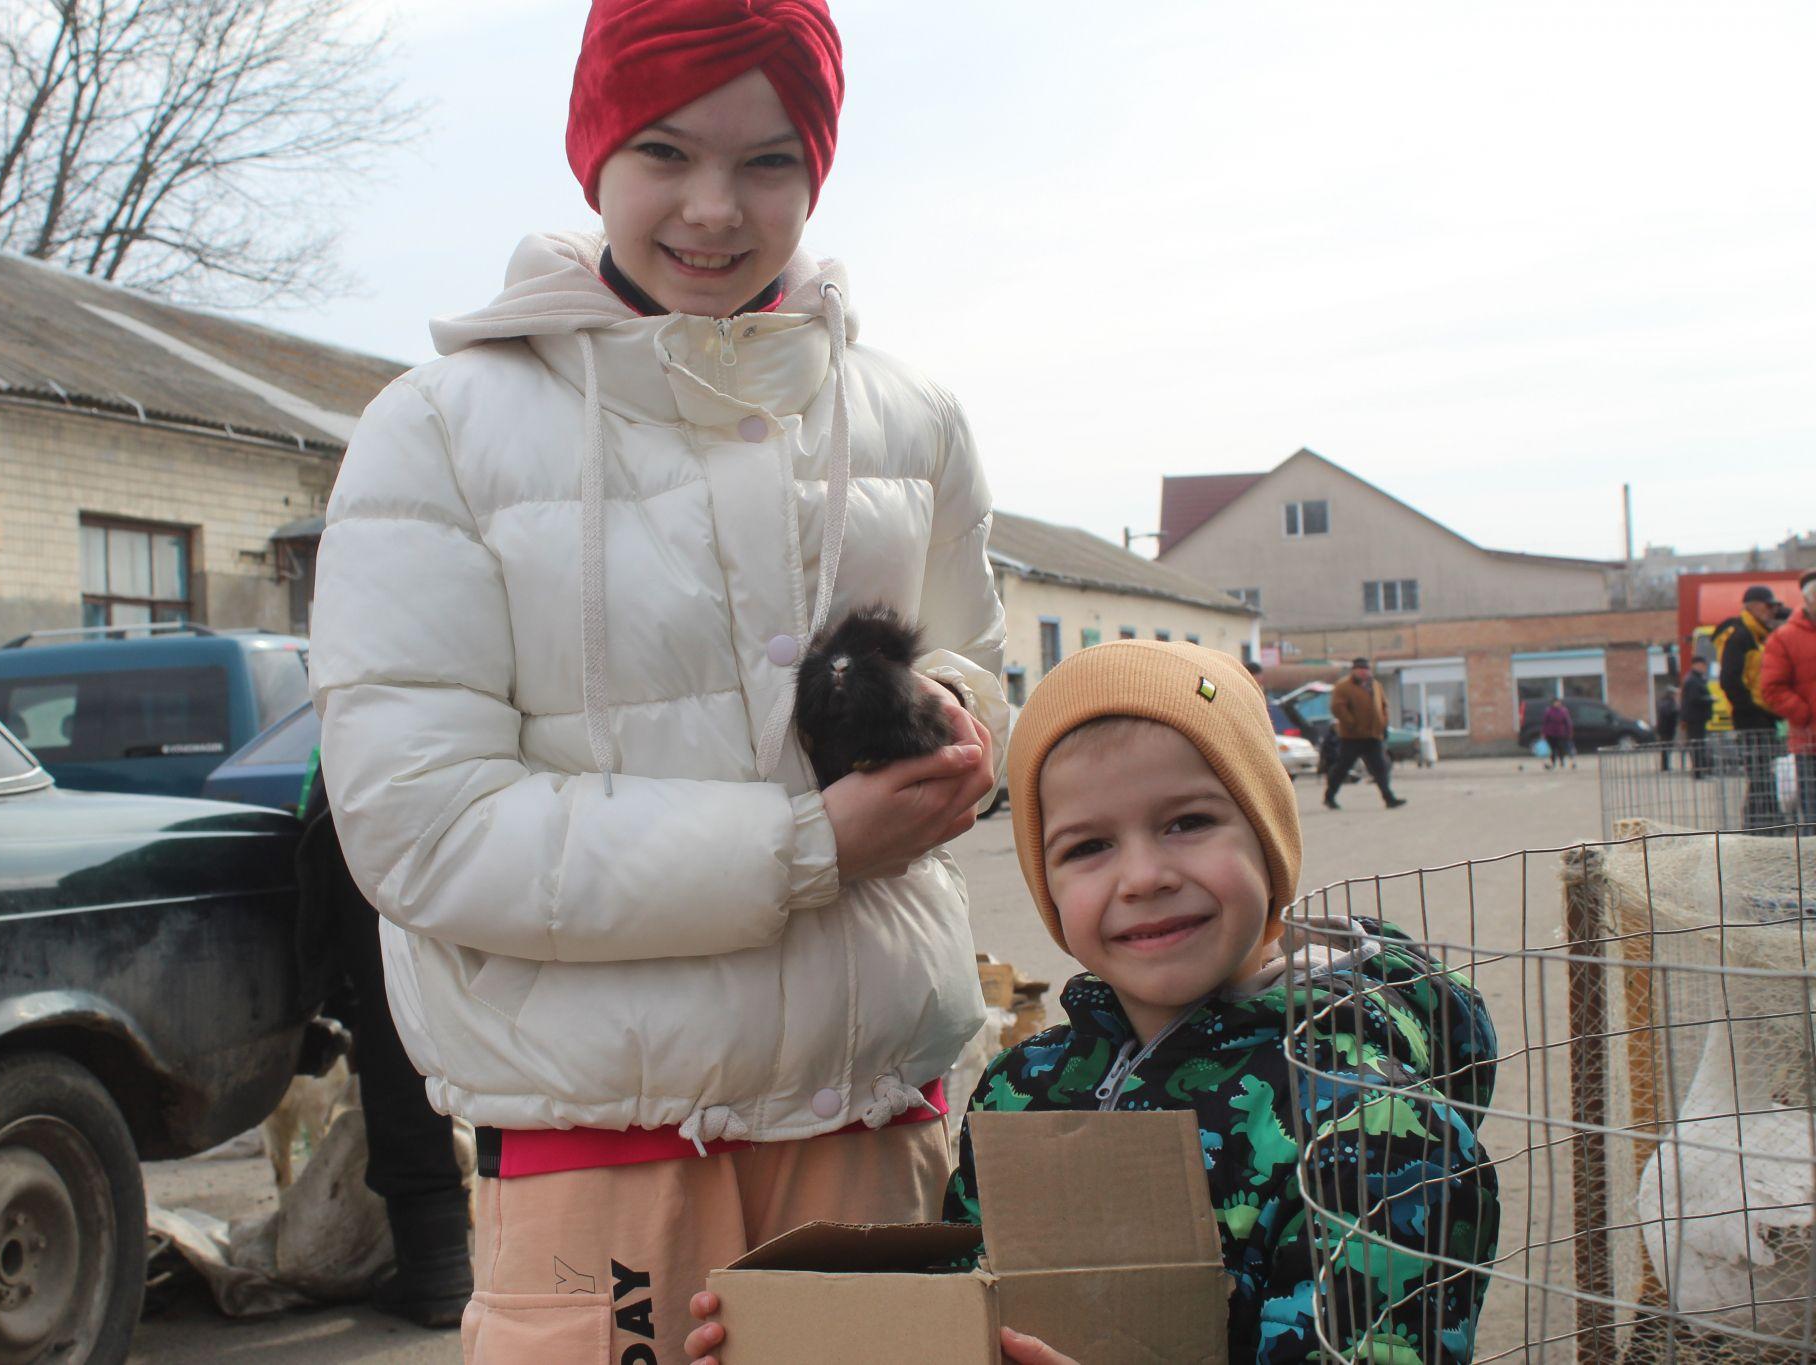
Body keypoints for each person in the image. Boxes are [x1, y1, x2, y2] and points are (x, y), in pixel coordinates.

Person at [308, 3, 1010, 1359]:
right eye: (665, 151)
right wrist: (805, 846)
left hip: (869, 1107)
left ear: (817, 169)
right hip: (600, 1128)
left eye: (768, 161)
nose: (712, 209)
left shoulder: (909, 421)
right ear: (594, 153)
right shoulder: (440, 430)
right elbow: (419, 824)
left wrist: (949, 727)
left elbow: (974, 671)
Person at [685, 642, 1499, 1364]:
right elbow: (968, 1306)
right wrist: (804, 1337)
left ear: (1271, 837)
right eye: (1089, 846)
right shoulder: (1021, 1090)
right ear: (1046, 884)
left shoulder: (1373, 1125)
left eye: (1188, 822)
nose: (1143, 876)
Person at [295, 753, 472, 1326]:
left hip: (384, 801)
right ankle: (462, 1258)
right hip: (471, 793)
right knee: (492, 1014)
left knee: (396, 1025)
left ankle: (438, 1262)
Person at [1717, 584, 1785, 830]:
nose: (1772, 611)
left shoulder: (1758, 634)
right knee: (1759, 772)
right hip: (1751, 718)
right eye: (1769, 606)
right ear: (1753, 606)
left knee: (1762, 772)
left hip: (1763, 715)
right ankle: (1762, 824)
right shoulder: (1741, 636)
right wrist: (1750, 709)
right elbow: (1729, 680)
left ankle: (1764, 822)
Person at [1759, 568, 1816, 833]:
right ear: (1808, 599)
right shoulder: (1784, 638)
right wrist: (1805, 714)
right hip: (1809, 744)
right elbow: (1772, 688)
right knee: (1813, 818)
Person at [1323, 657, 1406, 809]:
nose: (1363, 672)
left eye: (1366, 669)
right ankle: (1329, 796)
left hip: (1373, 736)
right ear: (1354, 671)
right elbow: (1337, 708)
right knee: (1342, 767)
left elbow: (1383, 705)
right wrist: (1351, 723)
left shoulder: (1375, 685)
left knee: (1380, 767)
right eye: (1360, 669)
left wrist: (1383, 722)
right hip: (1352, 737)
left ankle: (1389, 798)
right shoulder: (1343, 686)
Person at [1679, 651, 1714, 779]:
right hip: (1695, 718)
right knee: (1697, 745)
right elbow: (1694, 699)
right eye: (1703, 666)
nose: (1705, 668)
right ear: (1697, 665)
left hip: (1697, 718)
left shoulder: (1696, 679)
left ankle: (1700, 771)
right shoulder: (1693, 681)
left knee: (1698, 745)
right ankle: (1698, 773)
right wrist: (1709, 699)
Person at [1541, 695, 1576, 770]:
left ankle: (1562, 760)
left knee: (1561, 748)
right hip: (1550, 733)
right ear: (1553, 703)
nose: (1557, 704)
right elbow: (1545, 723)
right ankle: (1553, 762)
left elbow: (1568, 722)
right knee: (1552, 749)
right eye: (1556, 702)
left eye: (1558, 702)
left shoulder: (1563, 711)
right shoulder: (1549, 711)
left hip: (1561, 733)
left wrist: (1569, 732)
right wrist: (1544, 732)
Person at [1655, 680, 1679, 771]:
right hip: (1667, 728)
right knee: (1666, 747)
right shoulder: (1669, 702)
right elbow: (1670, 713)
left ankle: (1665, 765)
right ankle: (1665, 766)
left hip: (1665, 728)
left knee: (1666, 748)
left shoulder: (1663, 701)